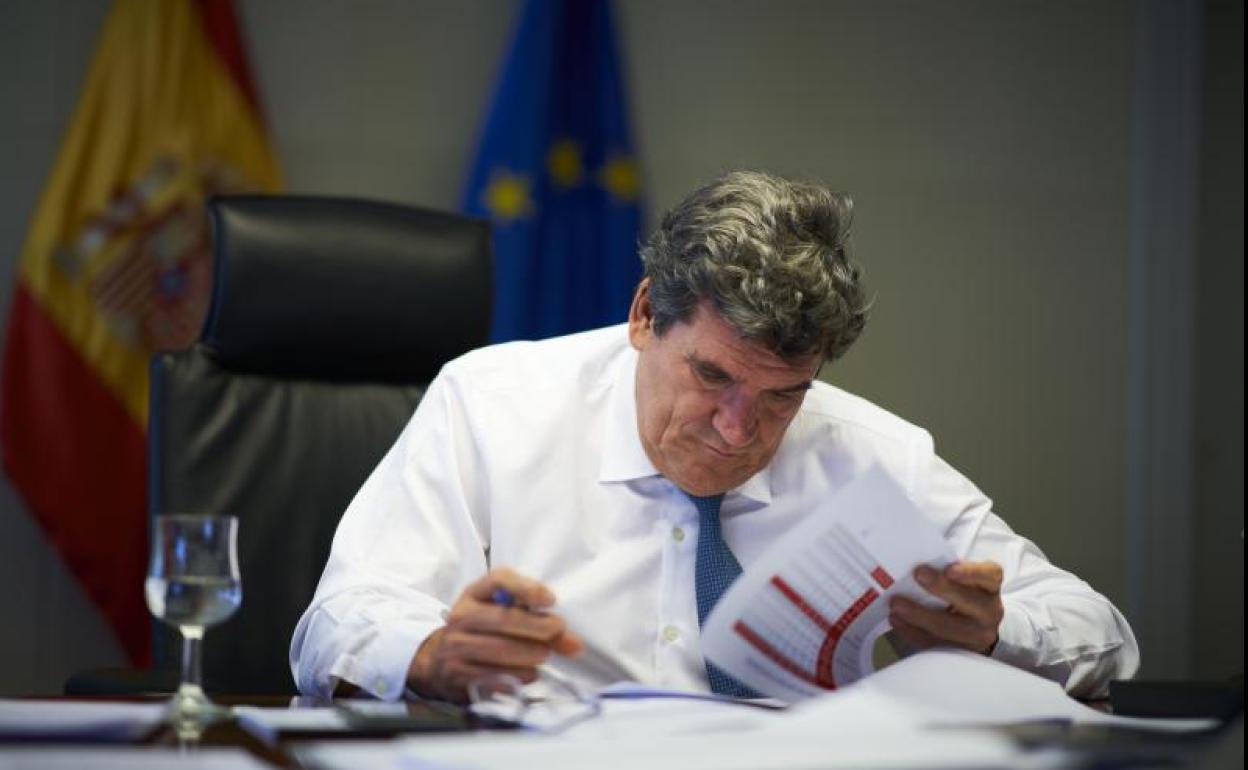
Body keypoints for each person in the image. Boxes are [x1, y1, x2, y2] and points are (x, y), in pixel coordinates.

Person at [290, 171, 1139, 704]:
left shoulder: (870, 455)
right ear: (643, 315)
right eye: (710, 377)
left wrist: (992, 633)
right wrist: (434, 653)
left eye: (783, 396)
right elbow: (340, 619)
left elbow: (1097, 629)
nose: (739, 431)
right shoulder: (491, 404)